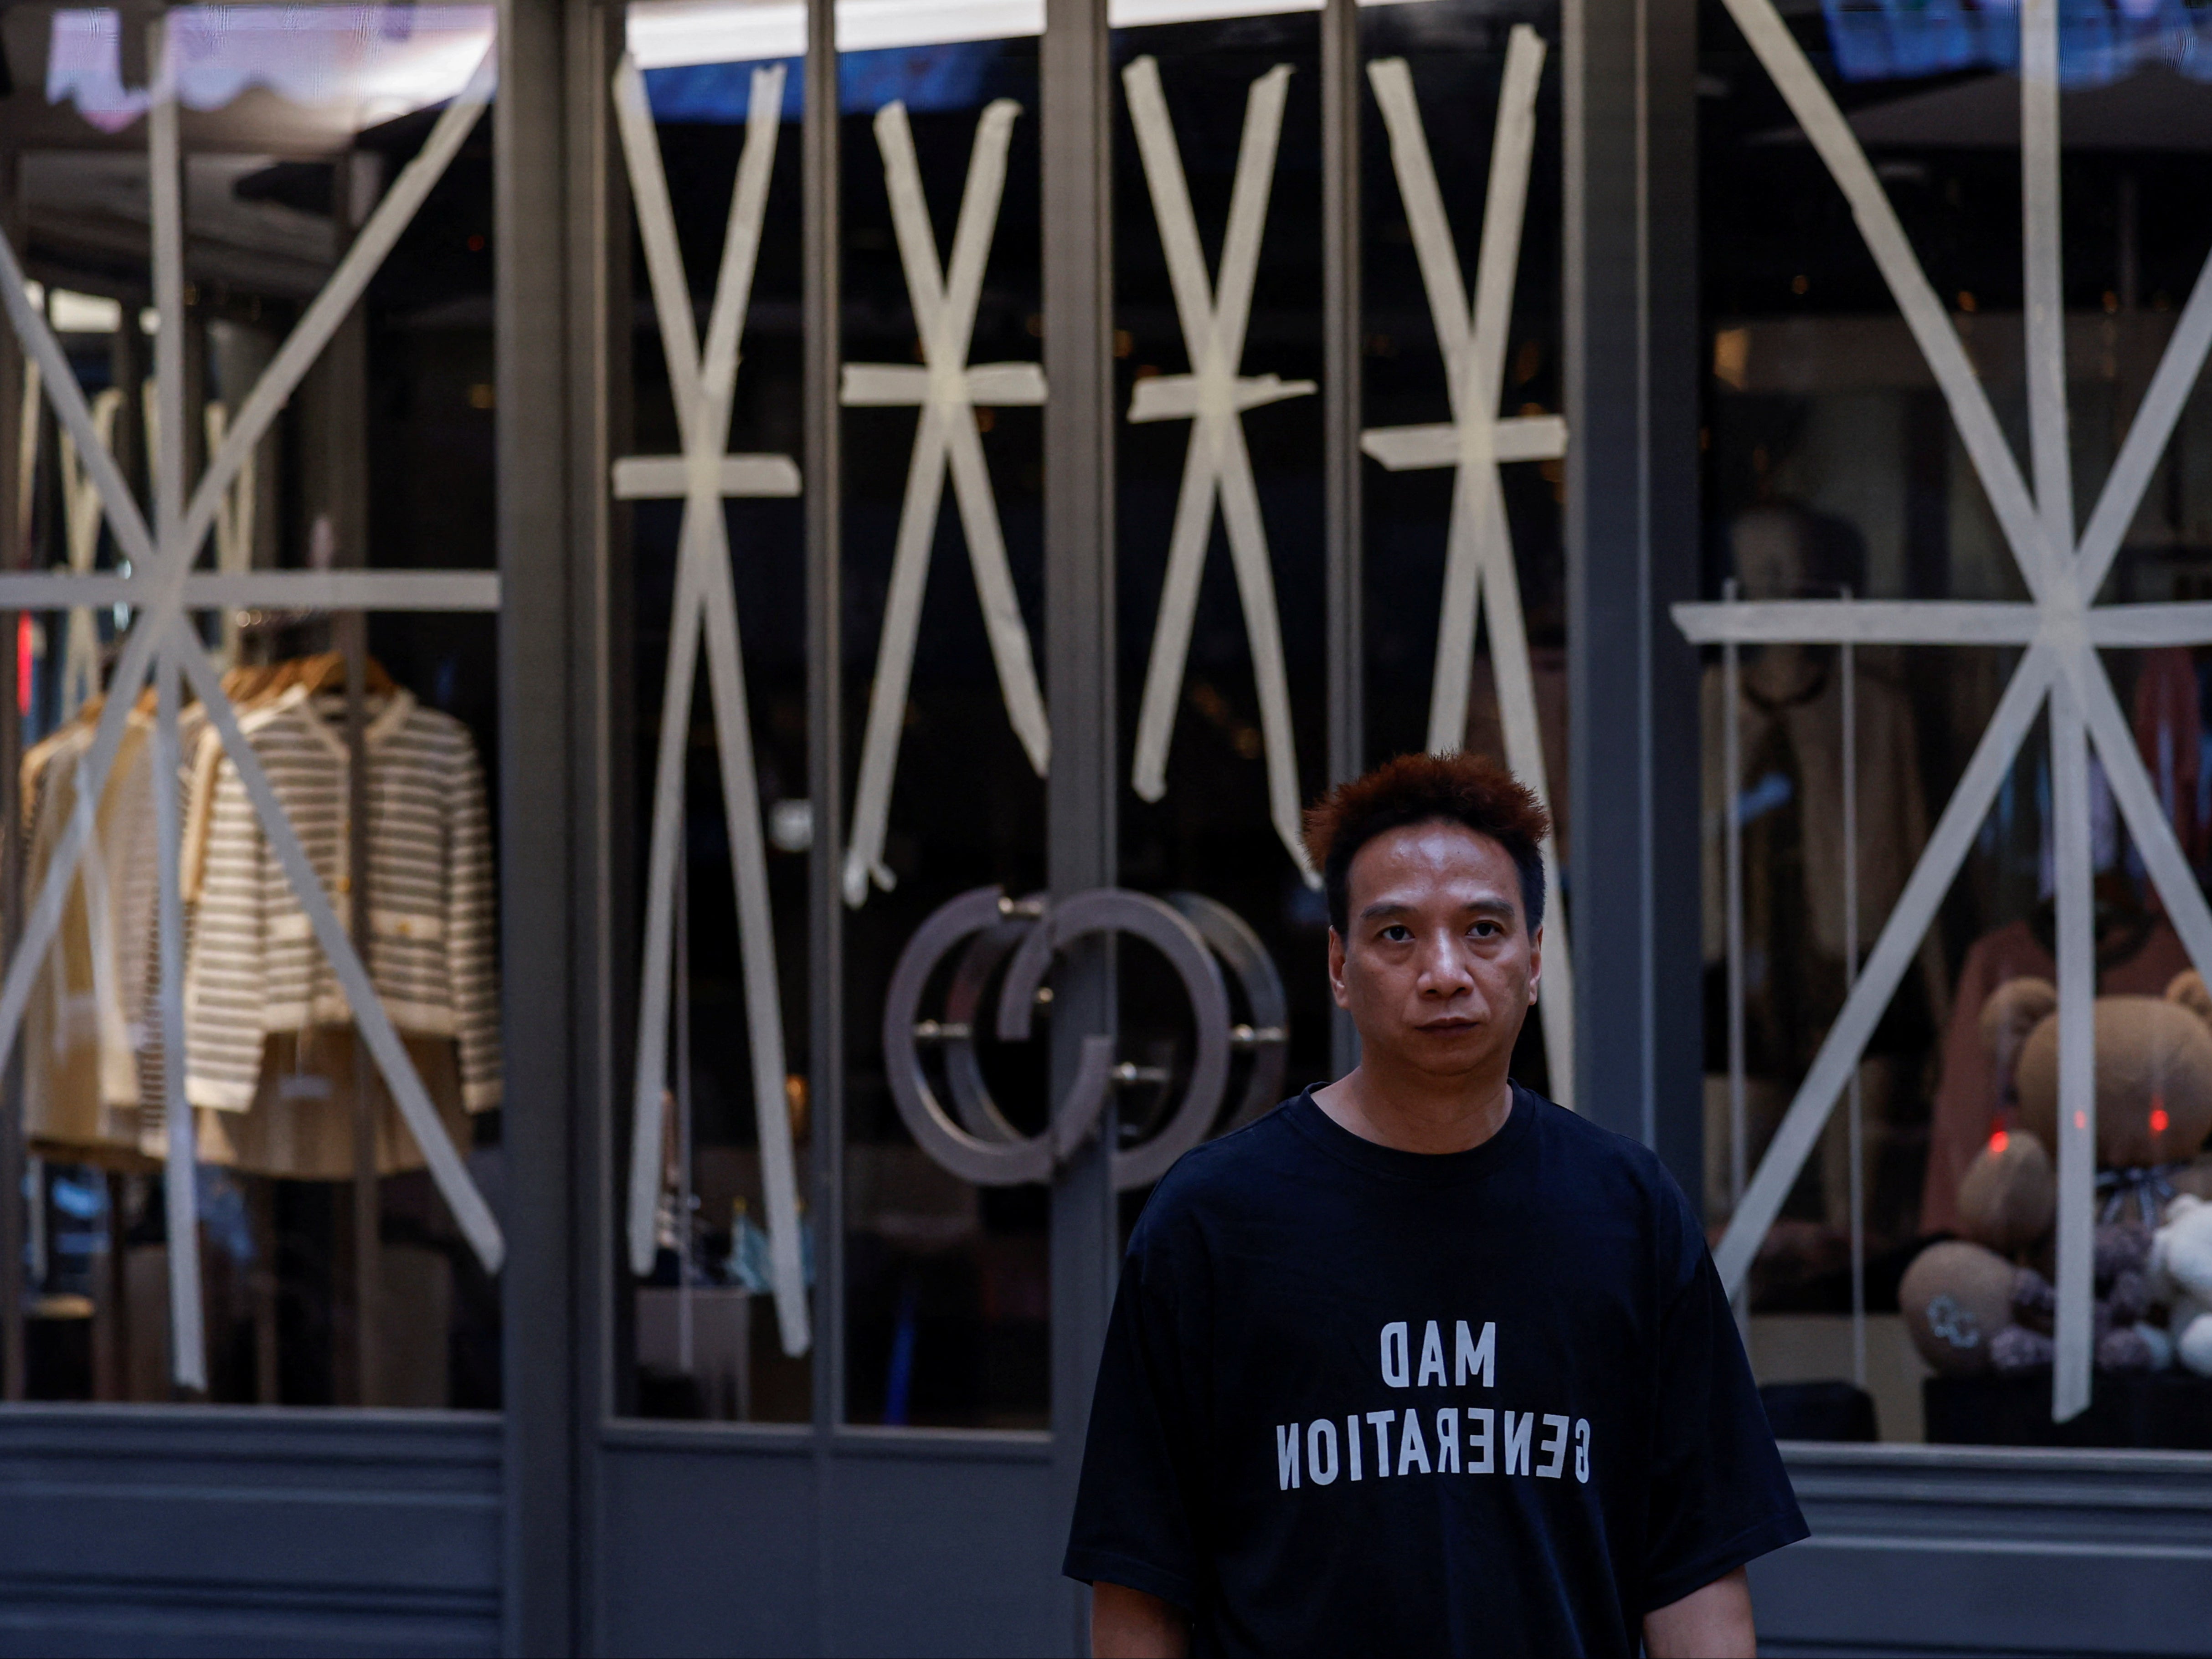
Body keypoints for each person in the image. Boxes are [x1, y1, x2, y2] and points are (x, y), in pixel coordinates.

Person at [1063, 752, 1807, 1658]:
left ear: (1534, 961)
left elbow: (1695, 1572)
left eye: (1484, 930)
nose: (1445, 972)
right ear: (1339, 967)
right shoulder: (1216, 1222)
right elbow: (1140, 1587)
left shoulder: (1625, 1211)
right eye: (1397, 936)